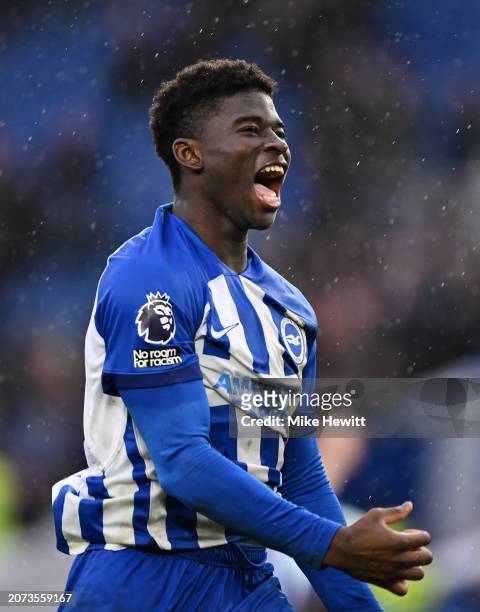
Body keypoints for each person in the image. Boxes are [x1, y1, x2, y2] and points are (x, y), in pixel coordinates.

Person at [52, 59, 432, 611]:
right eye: (251, 131)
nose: (276, 144)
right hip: (140, 574)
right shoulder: (149, 278)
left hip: (246, 580)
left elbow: (300, 479)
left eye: (279, 131)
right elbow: (182, 460)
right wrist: (333, 544)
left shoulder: (290, 310)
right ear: (190, 155)